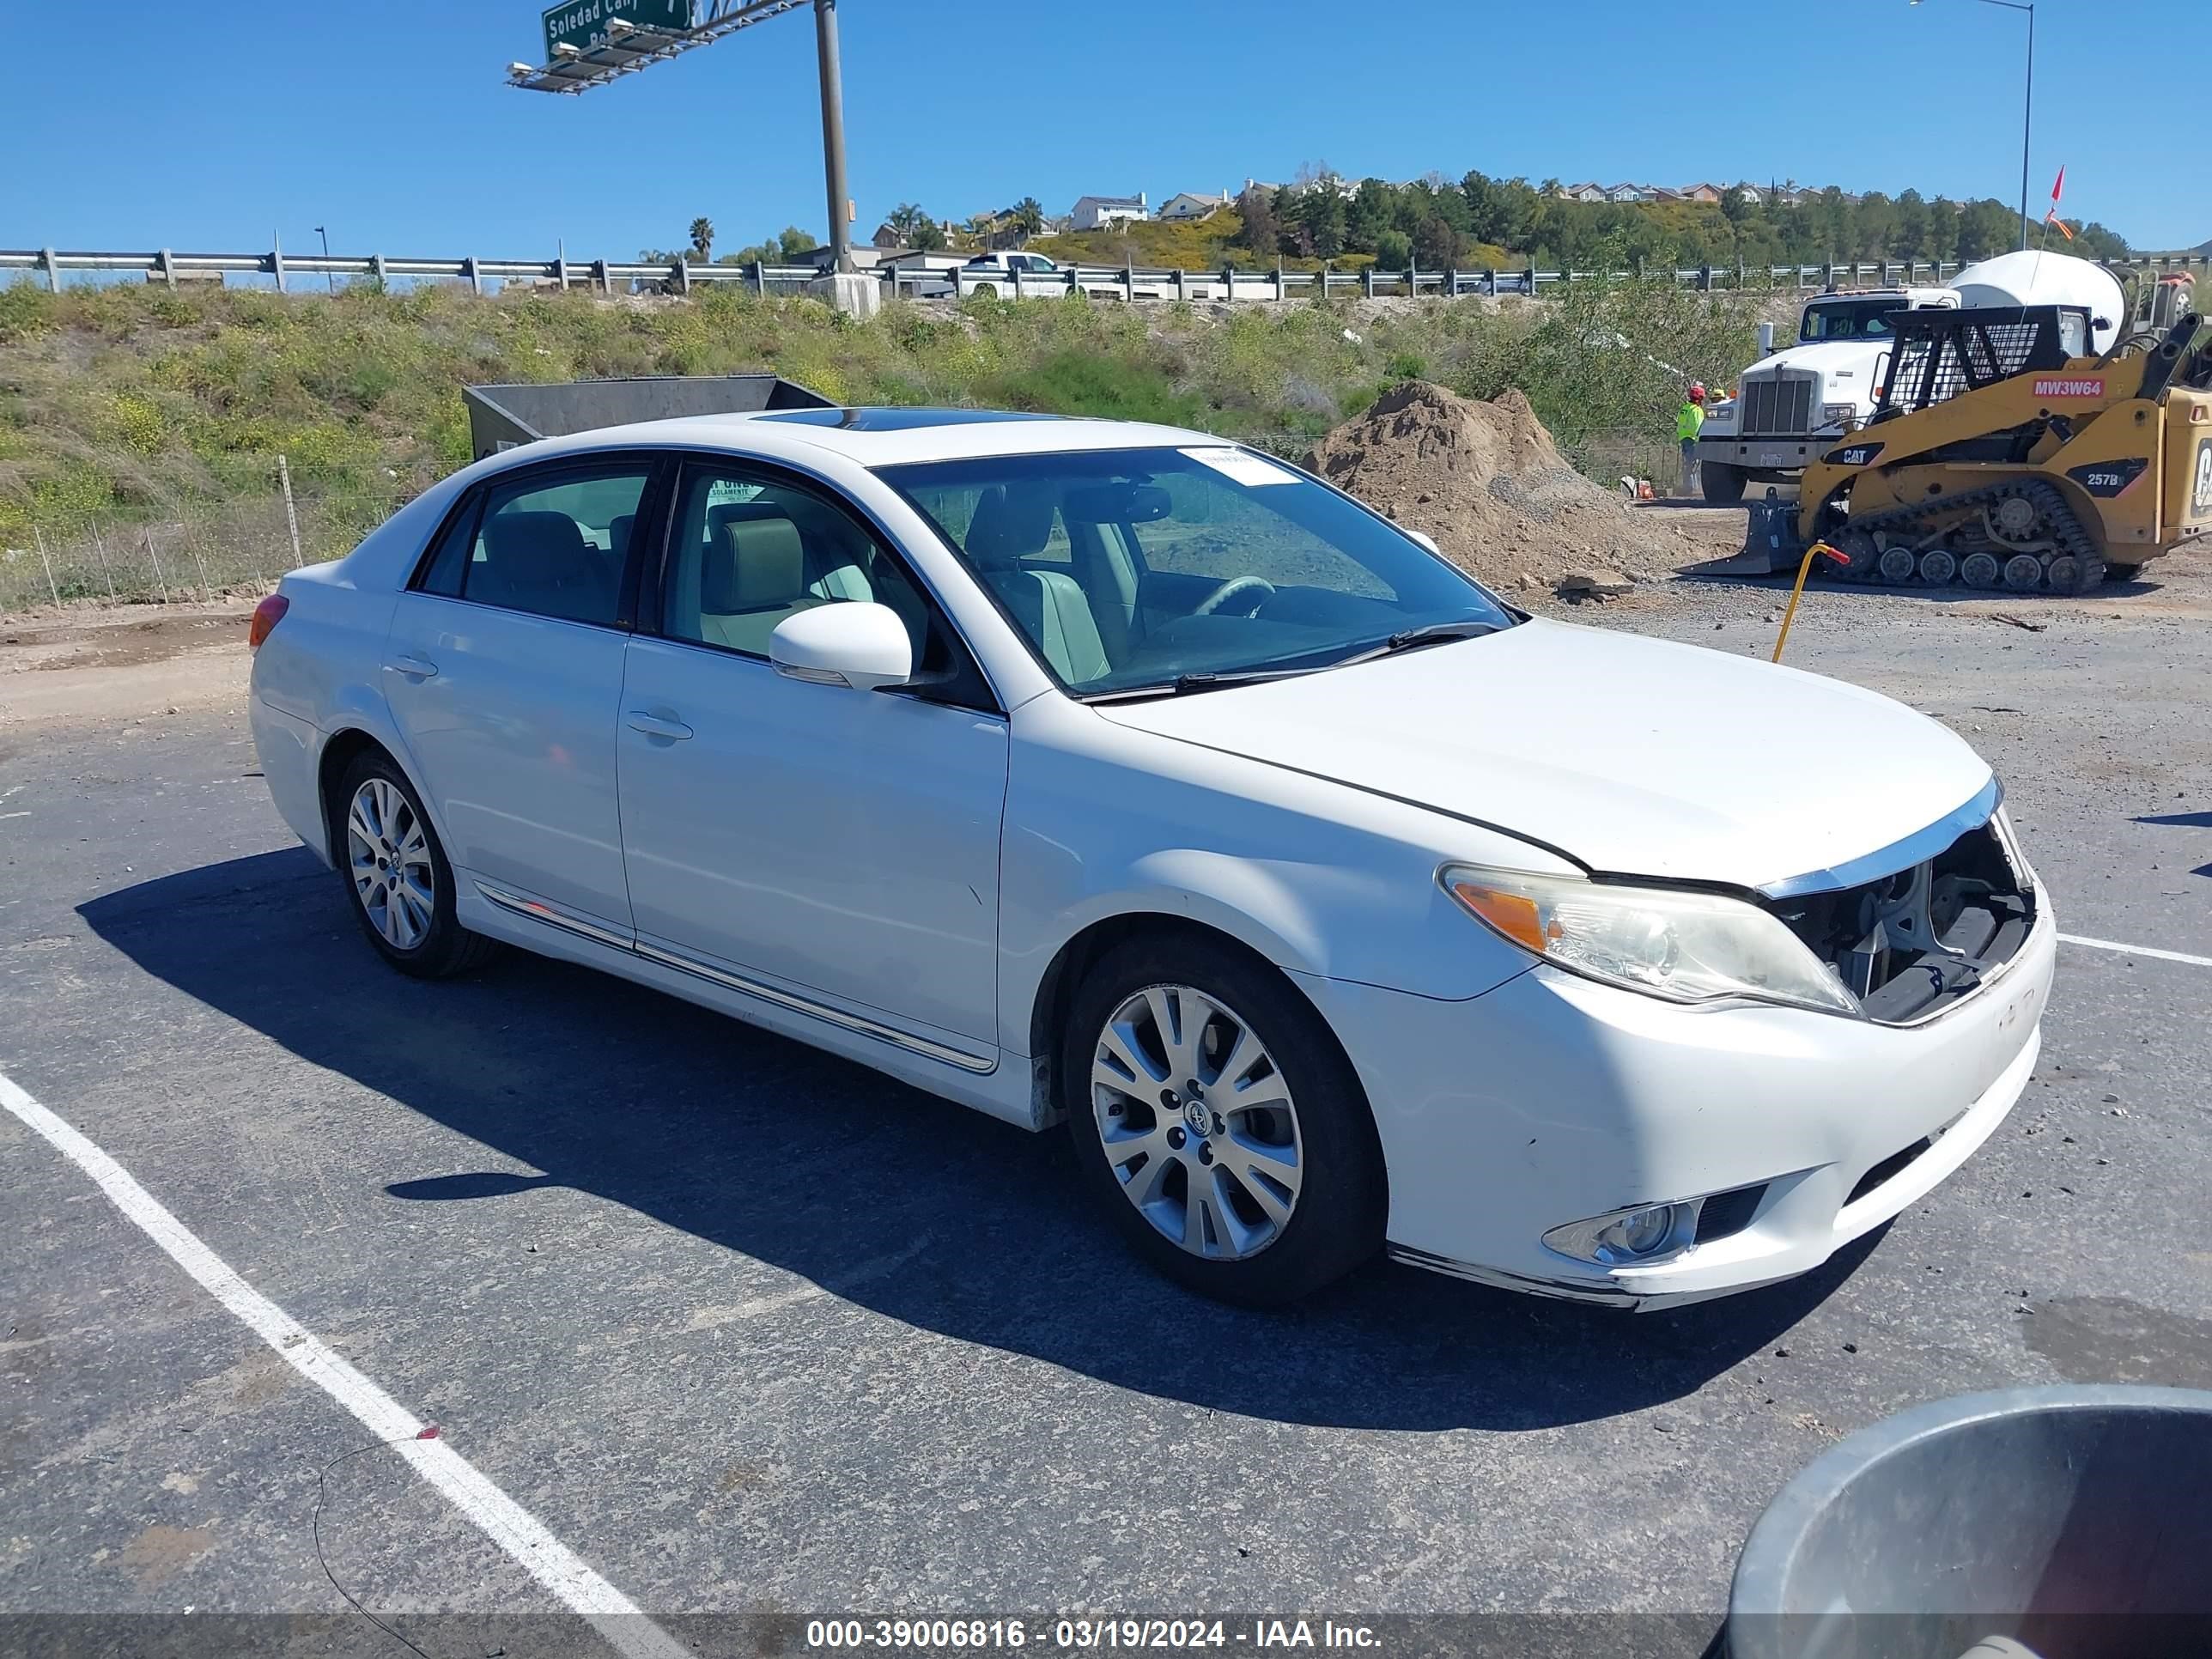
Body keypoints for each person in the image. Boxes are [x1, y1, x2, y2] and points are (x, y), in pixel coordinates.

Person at [1677, 382, 1706, 498]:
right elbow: (1698, 427)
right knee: (1695, 465)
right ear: (1699, 399)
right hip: (1694, 440)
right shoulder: (1697, 410)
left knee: (1687, 463)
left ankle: (1687, 487)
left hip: (1684, 439)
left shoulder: (1684, 408)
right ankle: (1694, 489)